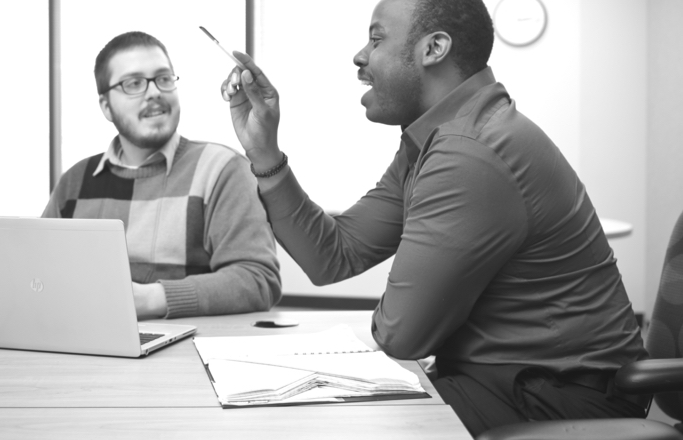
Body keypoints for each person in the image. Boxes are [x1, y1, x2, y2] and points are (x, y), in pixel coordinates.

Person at [220, 0, 648, 436]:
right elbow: (333, 255)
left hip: (560, 399)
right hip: (510, 380)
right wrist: (265, 154)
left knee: (327, 425)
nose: (360, 55)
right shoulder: (438, 138)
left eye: (376, 38)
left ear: (434, 48)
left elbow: (402, 336)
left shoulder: (470, 151)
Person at [43, 31, 281, 320]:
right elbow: (36, 276)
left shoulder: (223, 169)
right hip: (84, 350)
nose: (154, 92)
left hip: (187, 356)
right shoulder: (74, 182)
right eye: (134, 83)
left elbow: (258, 280)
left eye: (164, 78)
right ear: (106, 107)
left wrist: (151, 299)